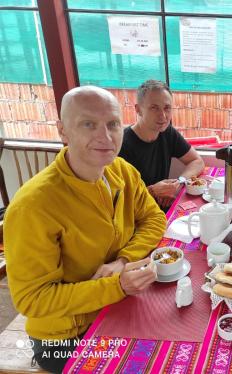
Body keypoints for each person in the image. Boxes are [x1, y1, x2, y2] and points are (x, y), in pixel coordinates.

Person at [4, 86, 166, 373]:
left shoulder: (122, 171)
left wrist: (123, 260)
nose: (105, 137)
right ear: (63, 131)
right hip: (64, 337)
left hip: (117, 303)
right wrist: (117, 285)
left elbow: (154, 219)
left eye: (113, 124)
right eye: (88, 124)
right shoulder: (33, 206)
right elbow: (33, 300)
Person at [119, 80, 205, 210]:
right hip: (135, 218)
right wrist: (153, 191)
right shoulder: (121, 145)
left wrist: (178, 183)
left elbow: (197, 161)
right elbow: (117, 200)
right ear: (138, 110)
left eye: (167, 108)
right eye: (154, 108)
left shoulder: (167, 132)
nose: (163, 116)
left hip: (159, 211)